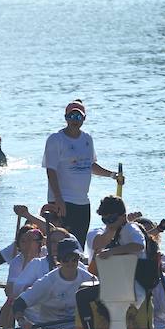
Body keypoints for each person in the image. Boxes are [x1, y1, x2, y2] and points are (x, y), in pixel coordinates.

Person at [42, 99, 122, 249]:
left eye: (78, 117)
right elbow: (50, 170)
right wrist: (58, 198)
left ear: (84, 119)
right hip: (62, 201)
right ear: (65, 118)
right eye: (71, 116)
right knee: (60, 245)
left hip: (83, 202)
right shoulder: (56, 139)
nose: (74, 120)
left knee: (78, 245)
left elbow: (90, 165)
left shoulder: (87, 139)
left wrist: (112, 175)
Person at [76, 195, 145, 329]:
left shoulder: (132, 229)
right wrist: (111, 230)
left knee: (85, 296)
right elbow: (96, 248)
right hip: (113, 286)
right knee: (81, 295)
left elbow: (139, 245)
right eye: (104, 220)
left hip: (133, 286)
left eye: (111, 219)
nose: (108, 223)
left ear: (123, 217)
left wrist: (112, 252)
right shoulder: (103, 233)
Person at [12, 238, 92, 329]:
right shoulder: (48, 282)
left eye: (74, 259)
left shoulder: (89, 279)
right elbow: (18, 304)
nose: (70, 263)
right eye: (66, 259)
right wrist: (22, 321)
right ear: (59, 260)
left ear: (79, 259)